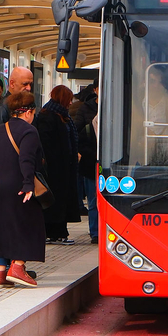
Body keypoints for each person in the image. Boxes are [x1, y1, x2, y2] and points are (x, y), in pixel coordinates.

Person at [0, 91, 46, 288]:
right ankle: (18, 267)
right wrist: (28, 184)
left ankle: (0, 273)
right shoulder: (29, 131)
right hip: (17, 185)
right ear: (29, 112)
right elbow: (27, 160)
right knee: (29, 222)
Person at [35, 86, 81, 244]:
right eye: (68, 98)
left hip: (64, 166)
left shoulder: (62, 115)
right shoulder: (48, 115)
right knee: (55, 200)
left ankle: (59, 231)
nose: (70, 102)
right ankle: (54, 232)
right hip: (54, 168)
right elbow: (46, 143)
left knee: (62, 200)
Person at [70, 84, 99, 244]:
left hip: (113, 161)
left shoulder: (117, 104)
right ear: (95, 90)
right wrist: (84, 151)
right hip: (90, 160)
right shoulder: (85, 109)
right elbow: (77, 131)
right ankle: (95, 232)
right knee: (93, 199)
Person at [0, 66, 34, 131]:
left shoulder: (26, 104)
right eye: (25, 84)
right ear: (12, 84)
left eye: (30, 84)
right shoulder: (2, 108)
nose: (29, 88)